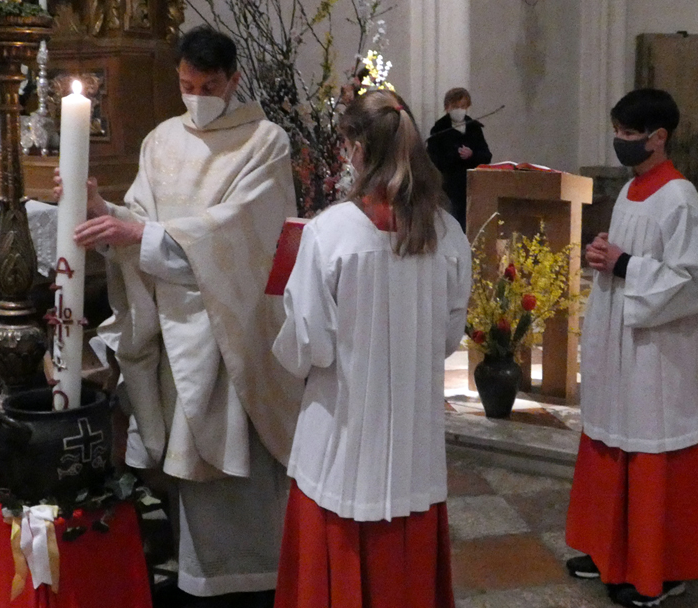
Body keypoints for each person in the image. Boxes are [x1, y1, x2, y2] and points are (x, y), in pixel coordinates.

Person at [62, 25, 304, 604]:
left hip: (232, 325)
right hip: (173, 322)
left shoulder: (264, 141)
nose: (196, 95)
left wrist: (138, 233)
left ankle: (260, 583)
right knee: (187, 479)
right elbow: (139, 220)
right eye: (185, 84)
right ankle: (198, 581)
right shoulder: (161, 139)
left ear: (235, 79)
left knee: (242, 486)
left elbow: (240, 234)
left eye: (209, 84)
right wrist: (103, 211)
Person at [271, 90, 472, 608]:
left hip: (341, 432)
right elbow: (449, 337)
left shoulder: (330, 233)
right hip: (412, 441)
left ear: (357, 148)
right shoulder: (447, 234)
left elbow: (309, 345)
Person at [565, 89, 698, 608]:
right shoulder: (634, 189)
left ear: (659, 138)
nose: (621, 143)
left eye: (630, 135)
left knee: (649, 446)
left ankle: (660, 568)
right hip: (621, 339)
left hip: (657, 349)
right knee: (611, 434)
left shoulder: (679, 196)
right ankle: (609, 549)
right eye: (618, 132)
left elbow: (697, 280)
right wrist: (602, 254)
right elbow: (625, 256)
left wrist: (627, 265)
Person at [426, 87, 492, 232]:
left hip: (471, 186)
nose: (460, 110)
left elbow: (486, 156)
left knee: (469, 225)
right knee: (451, 224)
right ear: (447, 107)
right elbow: (433, 159)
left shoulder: (474, 127)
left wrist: (472, 155)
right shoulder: (439, 129)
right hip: (449, 187)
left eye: (463, 107)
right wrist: (454, 155)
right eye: (456, 107)